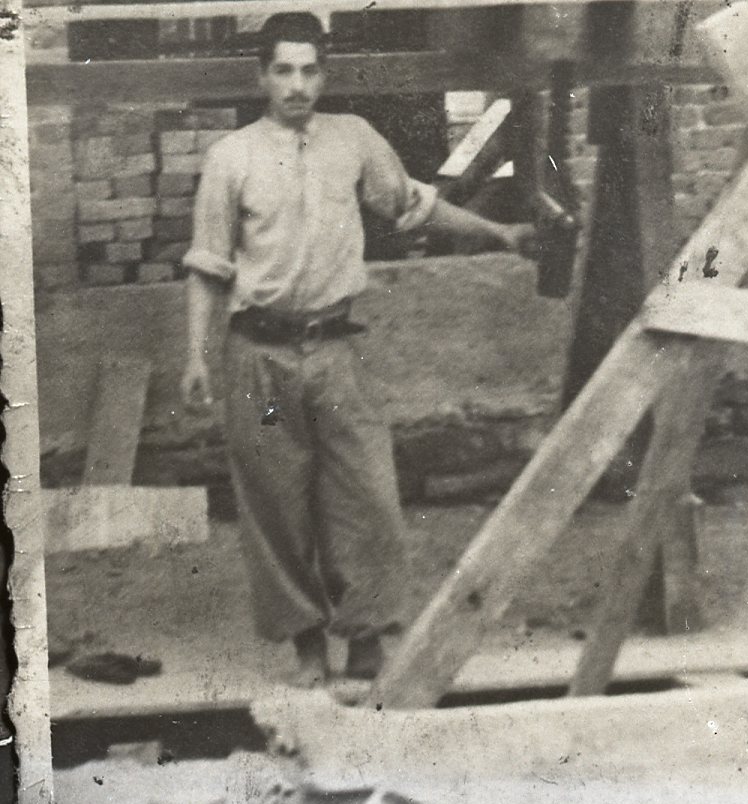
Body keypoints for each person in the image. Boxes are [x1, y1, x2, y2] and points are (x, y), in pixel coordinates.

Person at [181, 12, 535, 687]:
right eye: (283, 71)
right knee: (275, 505)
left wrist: (499, 233)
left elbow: (412, 205)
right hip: (258, 354)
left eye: (309, 70)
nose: (297, 85)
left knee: (367, 497)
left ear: (325, 75)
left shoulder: (354, 139)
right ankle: (307, 647)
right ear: (262, 77)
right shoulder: (232, 157)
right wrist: (196, 356)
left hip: (336, 348)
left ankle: (367, 638)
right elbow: (207, 265)